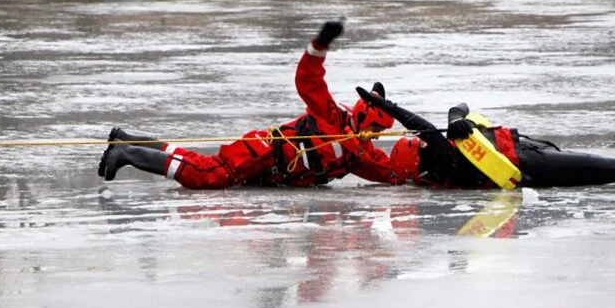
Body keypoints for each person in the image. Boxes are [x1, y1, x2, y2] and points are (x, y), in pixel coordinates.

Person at [98, 21, 399, 189]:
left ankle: (128, 139)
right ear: (363, 115)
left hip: (267, 173)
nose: (375, 136)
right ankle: (126, 154)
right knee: (206, 175)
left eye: (380, 132)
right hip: (262, 152)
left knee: (198, 161)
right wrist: (319, 45)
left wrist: (435, 170)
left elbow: (391, 173)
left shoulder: (360, 155)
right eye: (374, 128)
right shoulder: (332, 116)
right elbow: (309, 80)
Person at [355, 87, 615, 188]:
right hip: (534, 169)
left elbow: (460, 106)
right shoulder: (447, 162)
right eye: (417, 146)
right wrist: (383, 105)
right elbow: (421, 125)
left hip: (529, 151)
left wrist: (457, 117)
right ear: (419, 156)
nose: (422, 142)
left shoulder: (445, 154)